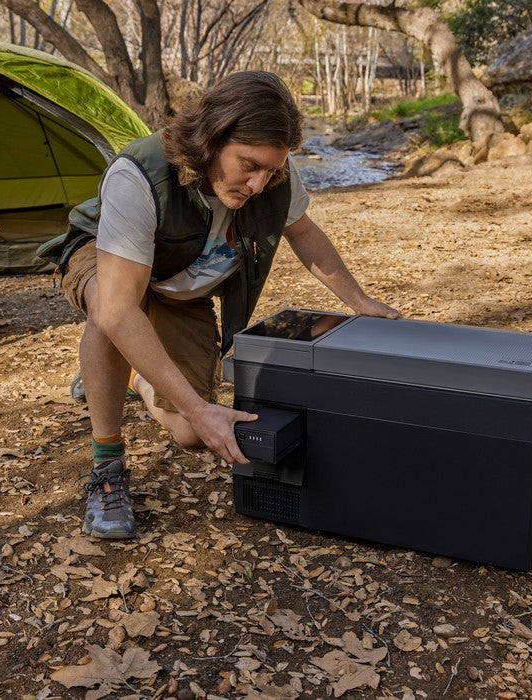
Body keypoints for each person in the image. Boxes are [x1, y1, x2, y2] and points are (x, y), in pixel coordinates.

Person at [38, 70, 398, 540]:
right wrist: (199, 406)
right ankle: (107, 469)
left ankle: (130, 374)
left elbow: (304, 232)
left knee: (189, 434)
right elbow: (120, 309)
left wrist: (360, 300)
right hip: (106, 257)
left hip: (179, 286)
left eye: (270, 170)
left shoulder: (273, 178)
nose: (257, 182)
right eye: (248, 164)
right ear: (211, 138)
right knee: (109, 317)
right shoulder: (140, 175)